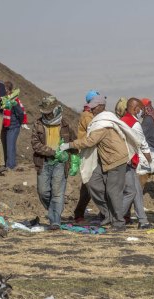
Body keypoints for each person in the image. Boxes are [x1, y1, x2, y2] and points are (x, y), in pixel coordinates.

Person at [60, 95, 140, 231]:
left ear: (101, 107)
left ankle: (119, 223)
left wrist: (69, 145)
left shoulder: (103, 123)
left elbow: (90, 141)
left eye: (94, 107)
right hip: (104, 160)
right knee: (92, 181)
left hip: (115, 160)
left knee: (113, 191)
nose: (91, 110)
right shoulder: (100, 120)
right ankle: (107, 214)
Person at [31, 96, 75, 230]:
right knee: (43, 191)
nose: (47, 115)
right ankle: (53, 211)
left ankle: (55, 220)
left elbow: (73, 142)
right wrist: (52, 152)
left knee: (57, 193)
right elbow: (35, 144)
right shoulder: (38, 124)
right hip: (43, 162)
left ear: (56, 109)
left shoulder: (65, 125)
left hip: (60, 164)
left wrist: (74, 158)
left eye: (49, 112)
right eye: (44, 113)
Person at [120, 98, 154, 229]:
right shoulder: (135, 124)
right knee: (131, 192)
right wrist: (151, 161)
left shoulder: (122, 120)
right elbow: (143, 144)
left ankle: (143, 220)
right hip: (128, 161)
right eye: (140, 109)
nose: (141, 112)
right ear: (135, 109)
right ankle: (116, 217)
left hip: (125, 160)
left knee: (137, 190)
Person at [73, 90, 102, 223]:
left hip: (93, 152)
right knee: (89, 184)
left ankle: (102, 213)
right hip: (88, 152)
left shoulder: (90, 114)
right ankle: (79, 213)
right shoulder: (87, 116)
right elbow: (94, 133)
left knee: (93, 183)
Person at [2, 81, 28, 170]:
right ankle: (9, 164)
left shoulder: (14, 100)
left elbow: (20, 112)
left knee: (10, 145)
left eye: (4, 89)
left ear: (9, 90)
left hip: (13, 126)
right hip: (7, 126)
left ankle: (10, 166)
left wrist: (21, 122)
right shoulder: (4, 100)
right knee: (8, 145)